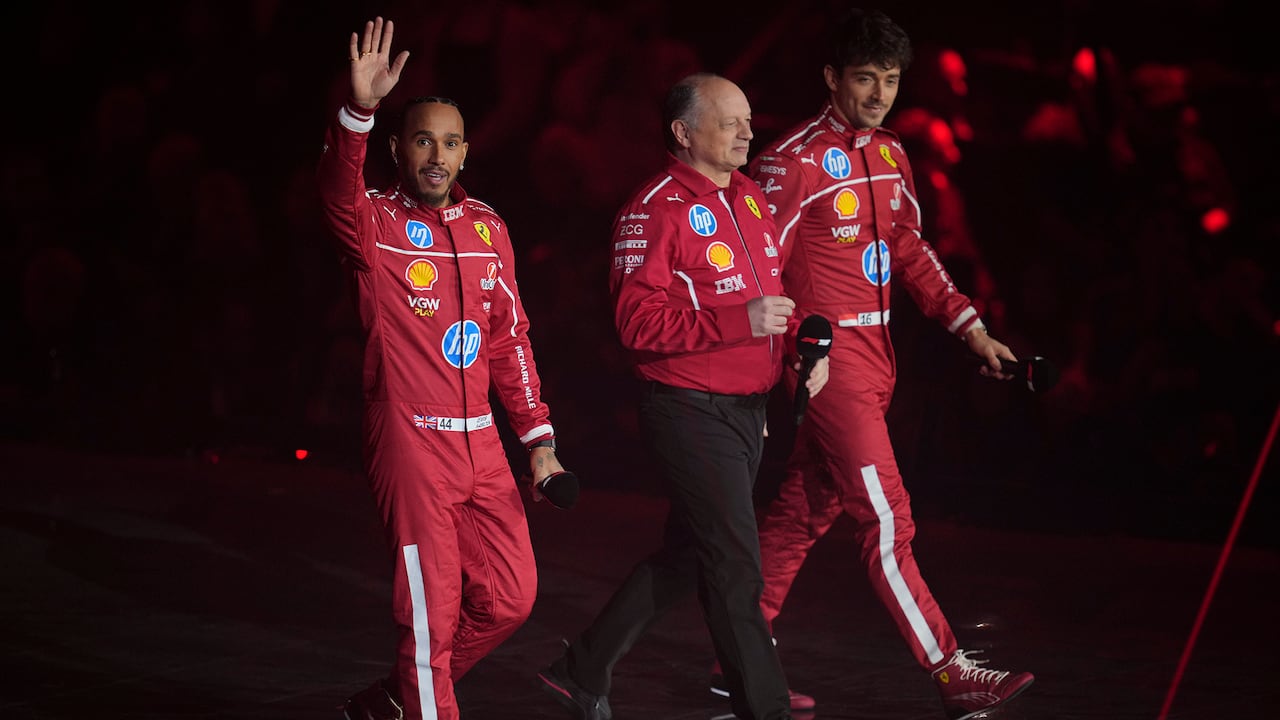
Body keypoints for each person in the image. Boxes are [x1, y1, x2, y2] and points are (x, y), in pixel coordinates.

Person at [717, 8, 1036, 720]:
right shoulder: (790, 160)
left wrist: (974, 332)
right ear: (832, 77)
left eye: (890, 80)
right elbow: (755, 266)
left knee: (806, 507)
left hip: (880, 354)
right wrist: (801, 346)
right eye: (865, 78)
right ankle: (950, 668)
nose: (879, 93)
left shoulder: (892, 152)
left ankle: (736, 657)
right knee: (887, 520)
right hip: (831, 366)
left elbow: (913, 253)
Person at [535, 72, 829, 720]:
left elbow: (772, 306)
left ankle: (580, 668)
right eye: (731, 121)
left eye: (749, 119)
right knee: (735, 568)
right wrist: (742, 322)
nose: (749, 132)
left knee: (691, 553)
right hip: (688, 410)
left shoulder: (749, 197)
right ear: (683, 131)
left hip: (747, 413)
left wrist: (793, 362)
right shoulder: (653, 209)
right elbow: (636, 326)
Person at [316, 17, 568, 720]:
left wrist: (538, 443)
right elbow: (338, 190)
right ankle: (426, 700)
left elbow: (510, 340)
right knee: (431, 615)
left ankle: (401, 697)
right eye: (423, 139)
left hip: (482, 443)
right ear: (398, 148)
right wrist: (358, 111)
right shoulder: (376, 224)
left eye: (450, 142)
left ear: (465, 152)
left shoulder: (489, 228)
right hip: (408, 436)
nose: (437, 154)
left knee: (512, 599)